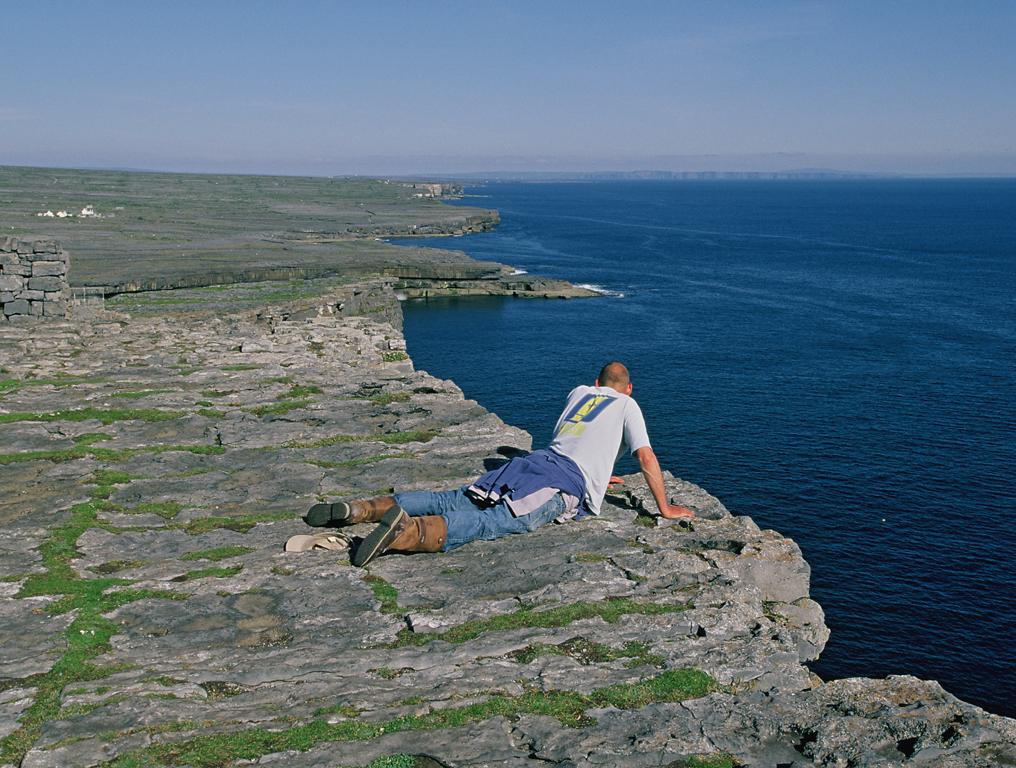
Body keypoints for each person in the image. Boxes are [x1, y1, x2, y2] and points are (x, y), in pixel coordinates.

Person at [305, 361, 694, 567]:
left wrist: (599, 474)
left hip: (533, 463)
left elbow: (578, 438)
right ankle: (404, 534)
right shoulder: (628, 403)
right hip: (559, 483)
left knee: (454, 498)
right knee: (492, 522)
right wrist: (664, 507)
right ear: (628, 388)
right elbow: (646, 456)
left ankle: (362, 509)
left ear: (596, 382)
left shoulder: (580, 392)